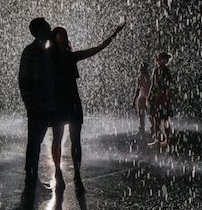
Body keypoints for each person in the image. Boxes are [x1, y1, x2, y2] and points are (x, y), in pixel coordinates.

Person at [50, 23, 125, 193]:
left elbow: (98, 48)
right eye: (58, 35)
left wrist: (114, 34)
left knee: (75, 139)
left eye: (62, 35)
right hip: (60, 103)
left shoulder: (67, 57)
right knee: (58, 138)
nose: (60, 38)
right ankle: (58, 172)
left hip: (70, 102)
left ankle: (76, 173)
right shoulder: (50, 58)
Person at [18, 17, 57, 194]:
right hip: (37, 106)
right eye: (47, 26)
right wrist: (31, 103)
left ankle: (31, 180)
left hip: (45, 105)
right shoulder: (32, 52)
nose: (50, 28)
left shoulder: (45, 50)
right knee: (34, 142)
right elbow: (24, 80)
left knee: (36, 142)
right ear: (39, 31)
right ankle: (31, 181)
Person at [146, 51, 174, 147]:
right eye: (158, 59)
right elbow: (153, 85)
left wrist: (165, 94)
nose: (160, 61)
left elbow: (168, 85)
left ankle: (168, 139)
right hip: (156, 98)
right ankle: (158, 139)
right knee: (156, 119)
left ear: (166, 61)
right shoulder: (156, 70)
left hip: (163, 98)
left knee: (164, 119)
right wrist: (150, 96)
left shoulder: (166, 71)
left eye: (162, 59)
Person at [132, 62, 151, 136]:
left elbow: (138, 89)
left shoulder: (141, 77)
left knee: (142, 114)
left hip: (143, 97)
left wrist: (134, 100)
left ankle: (142, 130)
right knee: (148, 114)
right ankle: (154, 130)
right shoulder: (149, 77)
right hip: (147, 97)